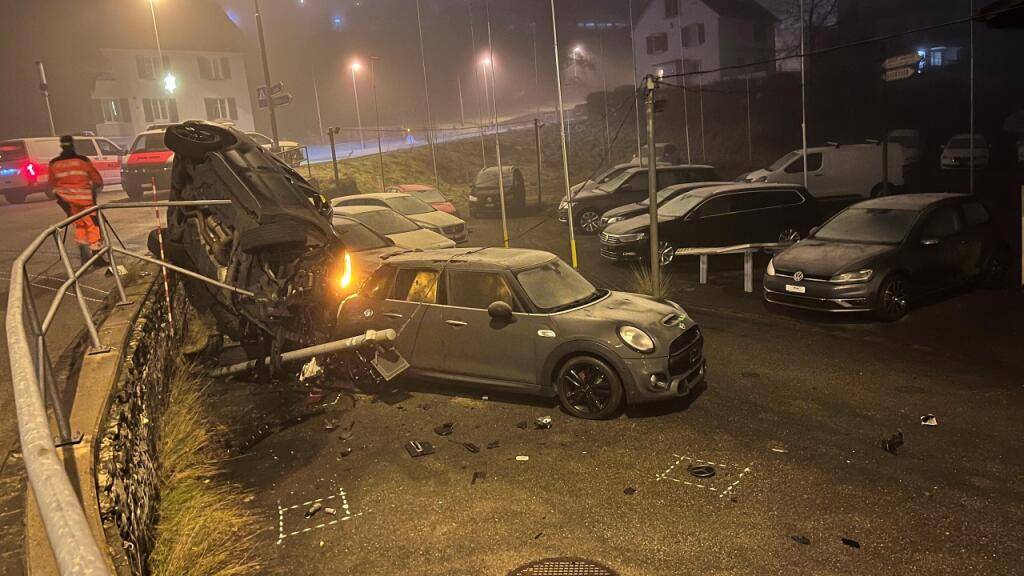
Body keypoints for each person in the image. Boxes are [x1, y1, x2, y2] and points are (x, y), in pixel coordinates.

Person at [48, 135, 104, 265]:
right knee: (93, 227)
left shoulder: (54, 163)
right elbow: (97, 180)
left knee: (79, 227)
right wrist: (93, 191)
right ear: (73, 145)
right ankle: (97, 257)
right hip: (86, 202)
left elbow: (51, 183)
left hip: (68, 203)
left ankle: (84, 256)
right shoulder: (82, 161)